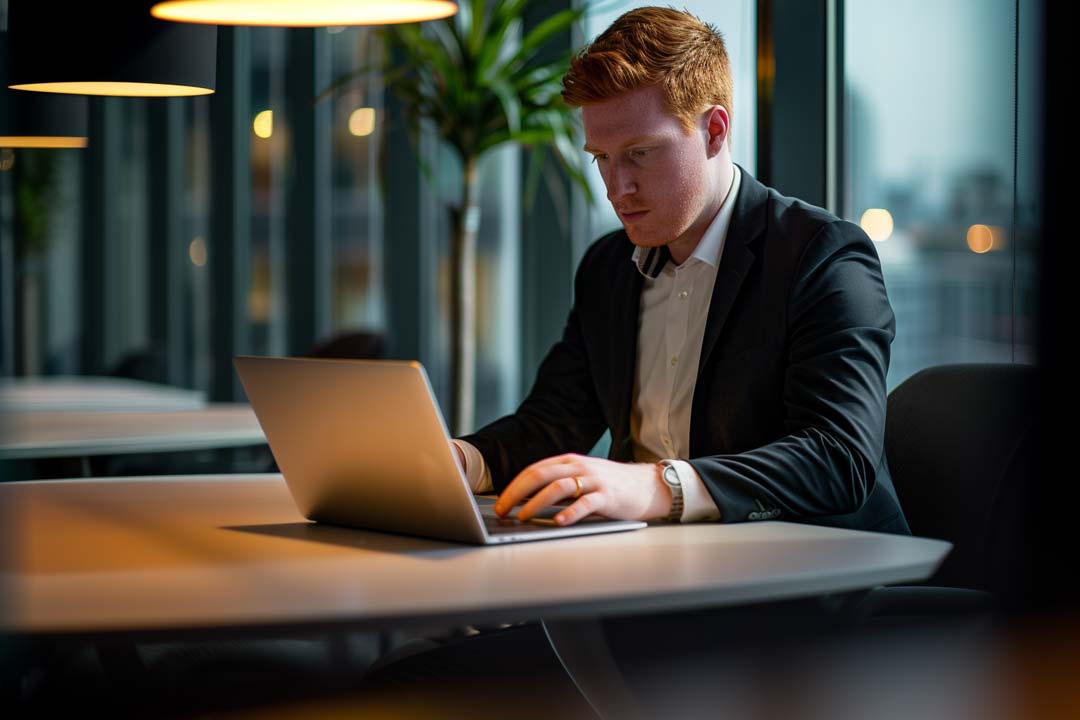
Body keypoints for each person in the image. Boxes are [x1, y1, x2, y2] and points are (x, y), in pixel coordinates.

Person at [452, 6, 909, 536]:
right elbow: (553, 422)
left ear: (714, 131)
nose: (615, 187)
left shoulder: (823, 256)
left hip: (821, 574)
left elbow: (837, 457)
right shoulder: (607, 268)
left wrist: (657, 487)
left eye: (640, 153)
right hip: (667, 570)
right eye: (600, 157)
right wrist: (461, 461)